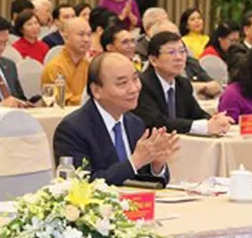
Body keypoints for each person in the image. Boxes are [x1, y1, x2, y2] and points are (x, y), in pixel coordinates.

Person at [53, 52, 177, 185]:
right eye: (122, 83)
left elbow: (144, 180)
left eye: (135, 79)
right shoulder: (73, 129)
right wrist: (134, 162)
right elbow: (81, 184)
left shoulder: (135, 123)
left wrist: (156, 166)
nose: (134, 89)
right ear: (96, 90)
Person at [133, 31, 232, 135]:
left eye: (182, 51)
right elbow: (158, 122)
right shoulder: (142, 85)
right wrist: (204, 126)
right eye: (171, 52)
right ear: (153, 60)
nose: (179, 58)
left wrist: (215, 121)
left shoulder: (183, 84)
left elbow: (196, 114)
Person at [40, 17, 91, 105]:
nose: (86, 39)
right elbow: (61, 102)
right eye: (81, 34)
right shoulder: (54, 67)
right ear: (66, 38)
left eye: (89, 35)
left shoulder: (89, 65)